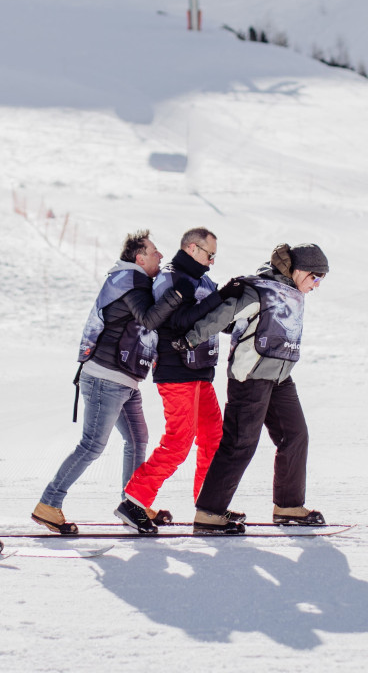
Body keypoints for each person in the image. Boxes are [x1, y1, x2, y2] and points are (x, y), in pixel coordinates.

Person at [31, 230, 184, 535]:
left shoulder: (136, 282)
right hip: (105, 377)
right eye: (154, 251)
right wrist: (175, 297)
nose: (161, 256)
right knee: (92, 446)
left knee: (138, 439)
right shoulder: (129, 282)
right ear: (139, 257)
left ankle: (133, 503)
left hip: (123, 380)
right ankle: (48, 504)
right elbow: (149, 319)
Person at [177, 243, 330, 535]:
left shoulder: (293, 292)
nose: (317, 285)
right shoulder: (258, 289)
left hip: (280, 377)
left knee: (295, 435)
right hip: (250, 376)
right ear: (299, 270)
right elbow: (223, 315)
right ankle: (209, 513)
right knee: (240, 443)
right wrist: (190, 339)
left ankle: (288, 506)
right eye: (315, 277)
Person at [113, 227, 245, 530]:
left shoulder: (202, 280)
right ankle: (133, 502)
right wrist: (222, 295)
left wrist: (237, 306)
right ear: (192, 249)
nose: (212, 261)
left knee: (214, 438)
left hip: (200, 373)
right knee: (179, 442)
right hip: (176, 373)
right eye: (209, 254)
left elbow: (214, 319)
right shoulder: (170, 277)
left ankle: (209, 507)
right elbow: (179, 322)